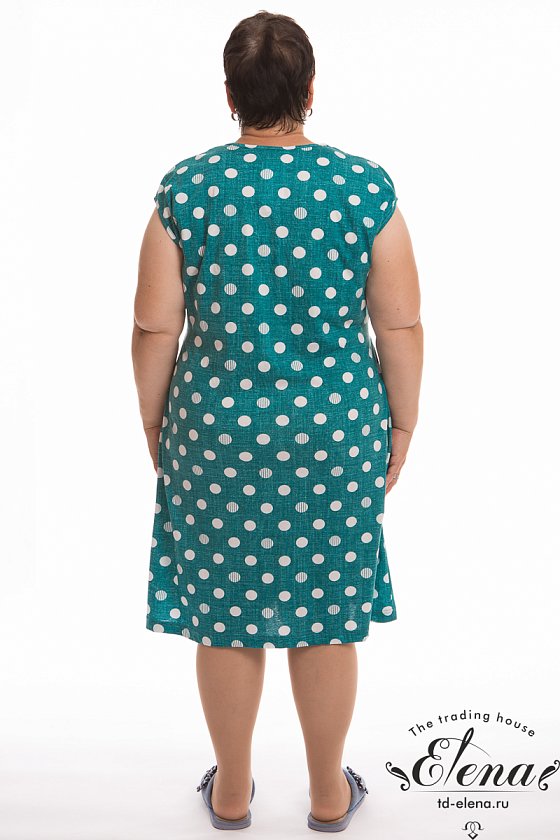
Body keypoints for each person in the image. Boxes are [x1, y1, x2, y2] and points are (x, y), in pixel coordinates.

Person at [131, 10, 422, 833]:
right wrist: (402, 426)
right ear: (310, 89)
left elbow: (154, 326)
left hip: (215, 434)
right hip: (337, 433)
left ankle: (231, 791)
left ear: (230, 95)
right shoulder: (363, 188)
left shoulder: (187, 189)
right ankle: (329, 793)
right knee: (326, 612)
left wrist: (154, 424)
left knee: (226, 613)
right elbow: (400, 322)